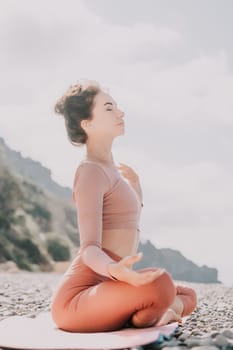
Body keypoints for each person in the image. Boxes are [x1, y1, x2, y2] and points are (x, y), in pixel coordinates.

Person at [50, 80, 197, 333]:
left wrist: (135, 187)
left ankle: (145, 315)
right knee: (161, 283)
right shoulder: (90, 172)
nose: (120, 112)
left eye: (116, 106)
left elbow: (125, 221)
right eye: (109, 108)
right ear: (88, 124)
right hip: (78, 299)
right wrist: (114, 269)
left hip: (110, 286)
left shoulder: (112, 172)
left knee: (189, 295)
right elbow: (89, 249)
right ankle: (148, 314)